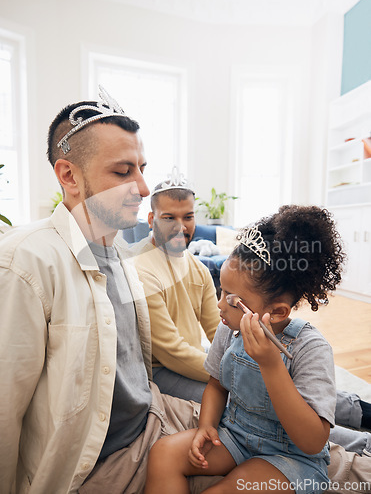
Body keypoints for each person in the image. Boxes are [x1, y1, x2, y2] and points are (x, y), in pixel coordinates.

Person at [0, 86, 202, 494]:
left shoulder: (121, 253)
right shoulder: (27, 262)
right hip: (104, 465)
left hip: (153, 414)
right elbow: (4, 409)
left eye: (142, 167)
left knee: (268, 426)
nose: (144, 187)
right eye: (123, 171)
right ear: (69, 175)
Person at [145, 205, 350, 494]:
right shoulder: (230, 329)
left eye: (232, 299)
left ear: (277, 312)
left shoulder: (311, 349)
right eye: (221, 291)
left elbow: (313, 441)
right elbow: (216, 386)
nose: (219, 304)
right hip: (237, 437)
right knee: (163, 452)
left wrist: (271, 364)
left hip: (291, 459)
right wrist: (207, 425)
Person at [132, 169, 220, 403]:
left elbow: (218, 330)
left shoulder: (198, 268)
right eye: (169, 218)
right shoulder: (140, 269)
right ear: (152, 220)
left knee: (286, 389)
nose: (180, 227)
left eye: (188, 217)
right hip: (160, 371)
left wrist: (248, 362)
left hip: (195, 359)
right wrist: (234, 374)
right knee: (246, 403)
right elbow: (171, 352)